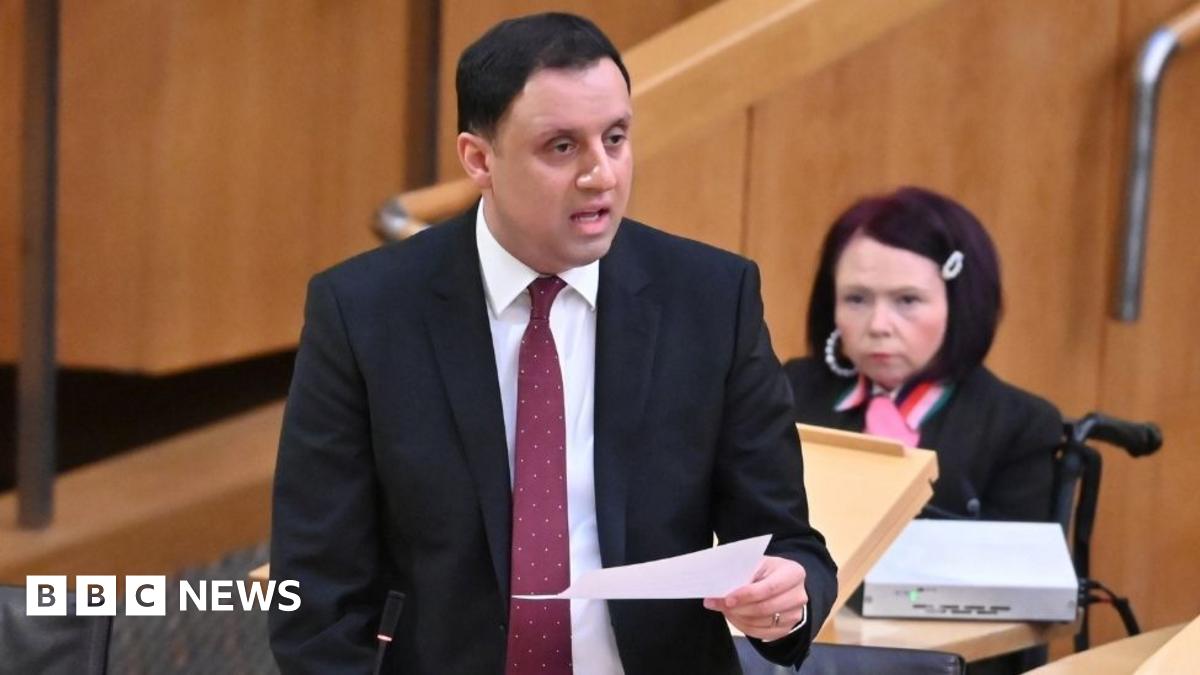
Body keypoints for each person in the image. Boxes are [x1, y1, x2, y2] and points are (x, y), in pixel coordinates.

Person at [269, 13, 836, 675]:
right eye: (561, 147)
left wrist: (784, 599)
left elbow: (788, 544)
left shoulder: (713, 299)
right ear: (479, 159)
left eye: (616, 138)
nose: (602, 175)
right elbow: (315, 589)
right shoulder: (364, 312)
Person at [784, 186, 1062, 522]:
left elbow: (1015, 567)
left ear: (960, 304)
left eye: (907, 300)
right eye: (857, 299)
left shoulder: (1018, 425)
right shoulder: (790, 390)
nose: (878, 325)